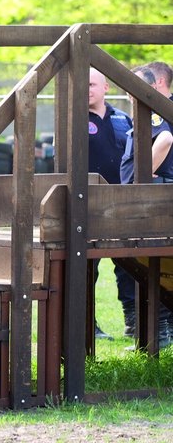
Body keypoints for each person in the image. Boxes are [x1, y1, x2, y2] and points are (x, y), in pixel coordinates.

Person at [119, 63, 173, 348]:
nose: (130, 92)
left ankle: (159, 335)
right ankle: (157, 334)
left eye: (135, 86)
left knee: (152, 262)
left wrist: (139, 180)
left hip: (149, 198)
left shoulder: (151, 114)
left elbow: (164, 138)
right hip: (148, 195)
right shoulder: (140, 114)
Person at [87, 67, 132, 340]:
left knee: (129, 266)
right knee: (86, 270)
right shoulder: (71, 119)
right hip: (88, 204)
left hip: (121, 204)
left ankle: (134, 321)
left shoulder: (123, 118)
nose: (87, 89)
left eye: (92, 84)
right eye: (83, 85)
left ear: (106, 88)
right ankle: (87, 325)